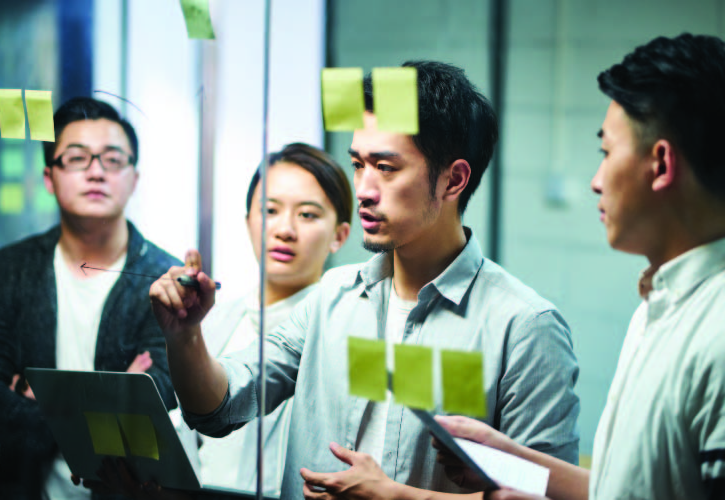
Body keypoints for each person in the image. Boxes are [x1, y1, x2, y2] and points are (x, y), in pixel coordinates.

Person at [150, 61, 580, 500]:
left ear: (454, 180)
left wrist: (393, 496)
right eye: (358, 165)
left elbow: (546, 495)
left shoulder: (524, 327)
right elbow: (219, 408)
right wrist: (184, 337)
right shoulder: (331, 298)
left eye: (387, 168)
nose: (364, 190)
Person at [429, 33, 725, 500]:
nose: (595, 181)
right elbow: (630, 489)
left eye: (607, 153)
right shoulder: (666, 303)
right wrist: (511, 461)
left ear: (661, 163)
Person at [0, 97, 180, 500]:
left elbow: (163, 396)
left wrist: (46, 401)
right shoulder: (5, 271)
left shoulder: (163, 277)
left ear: (134, 178)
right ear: (49, 177)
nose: (96, 172)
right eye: (77, 158)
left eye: (113, 159)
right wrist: (115, 397)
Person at [176, 143, 352, 496]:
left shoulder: (346, 331)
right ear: (248, 222)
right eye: (269, 210)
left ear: (340, 236)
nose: (284, 229)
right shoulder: (210, 320)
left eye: (307, 215)